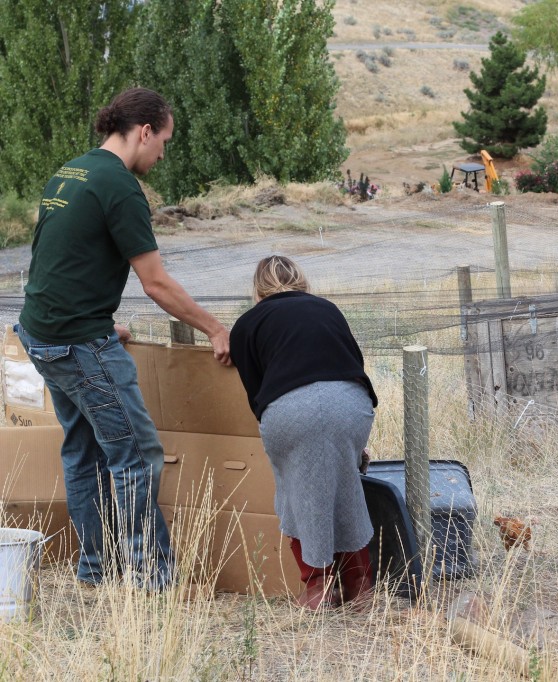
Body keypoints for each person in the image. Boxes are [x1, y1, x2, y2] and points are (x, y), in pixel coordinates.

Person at [16, 88, 232, 590]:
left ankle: (95, 568)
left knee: (82, 451)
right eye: (164, 142)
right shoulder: (120, 186)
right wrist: (215, 328)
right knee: (136, 455)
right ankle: (149, 578)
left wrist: (92, 315)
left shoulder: (70, 171)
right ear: (144, 132)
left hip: (41, 333)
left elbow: (58, 256)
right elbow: (155, 282)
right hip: (76, 345)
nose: (163, 154)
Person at [229, 255, 378, 610]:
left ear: (258, 290)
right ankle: (360, 587)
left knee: (295, 490)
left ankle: (318, 589)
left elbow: (256, 394)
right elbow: (353, 362)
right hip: (352, 404)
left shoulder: (247, 324)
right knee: (346, 482)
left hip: (290, 408)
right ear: (302, 281)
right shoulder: (328, 309)